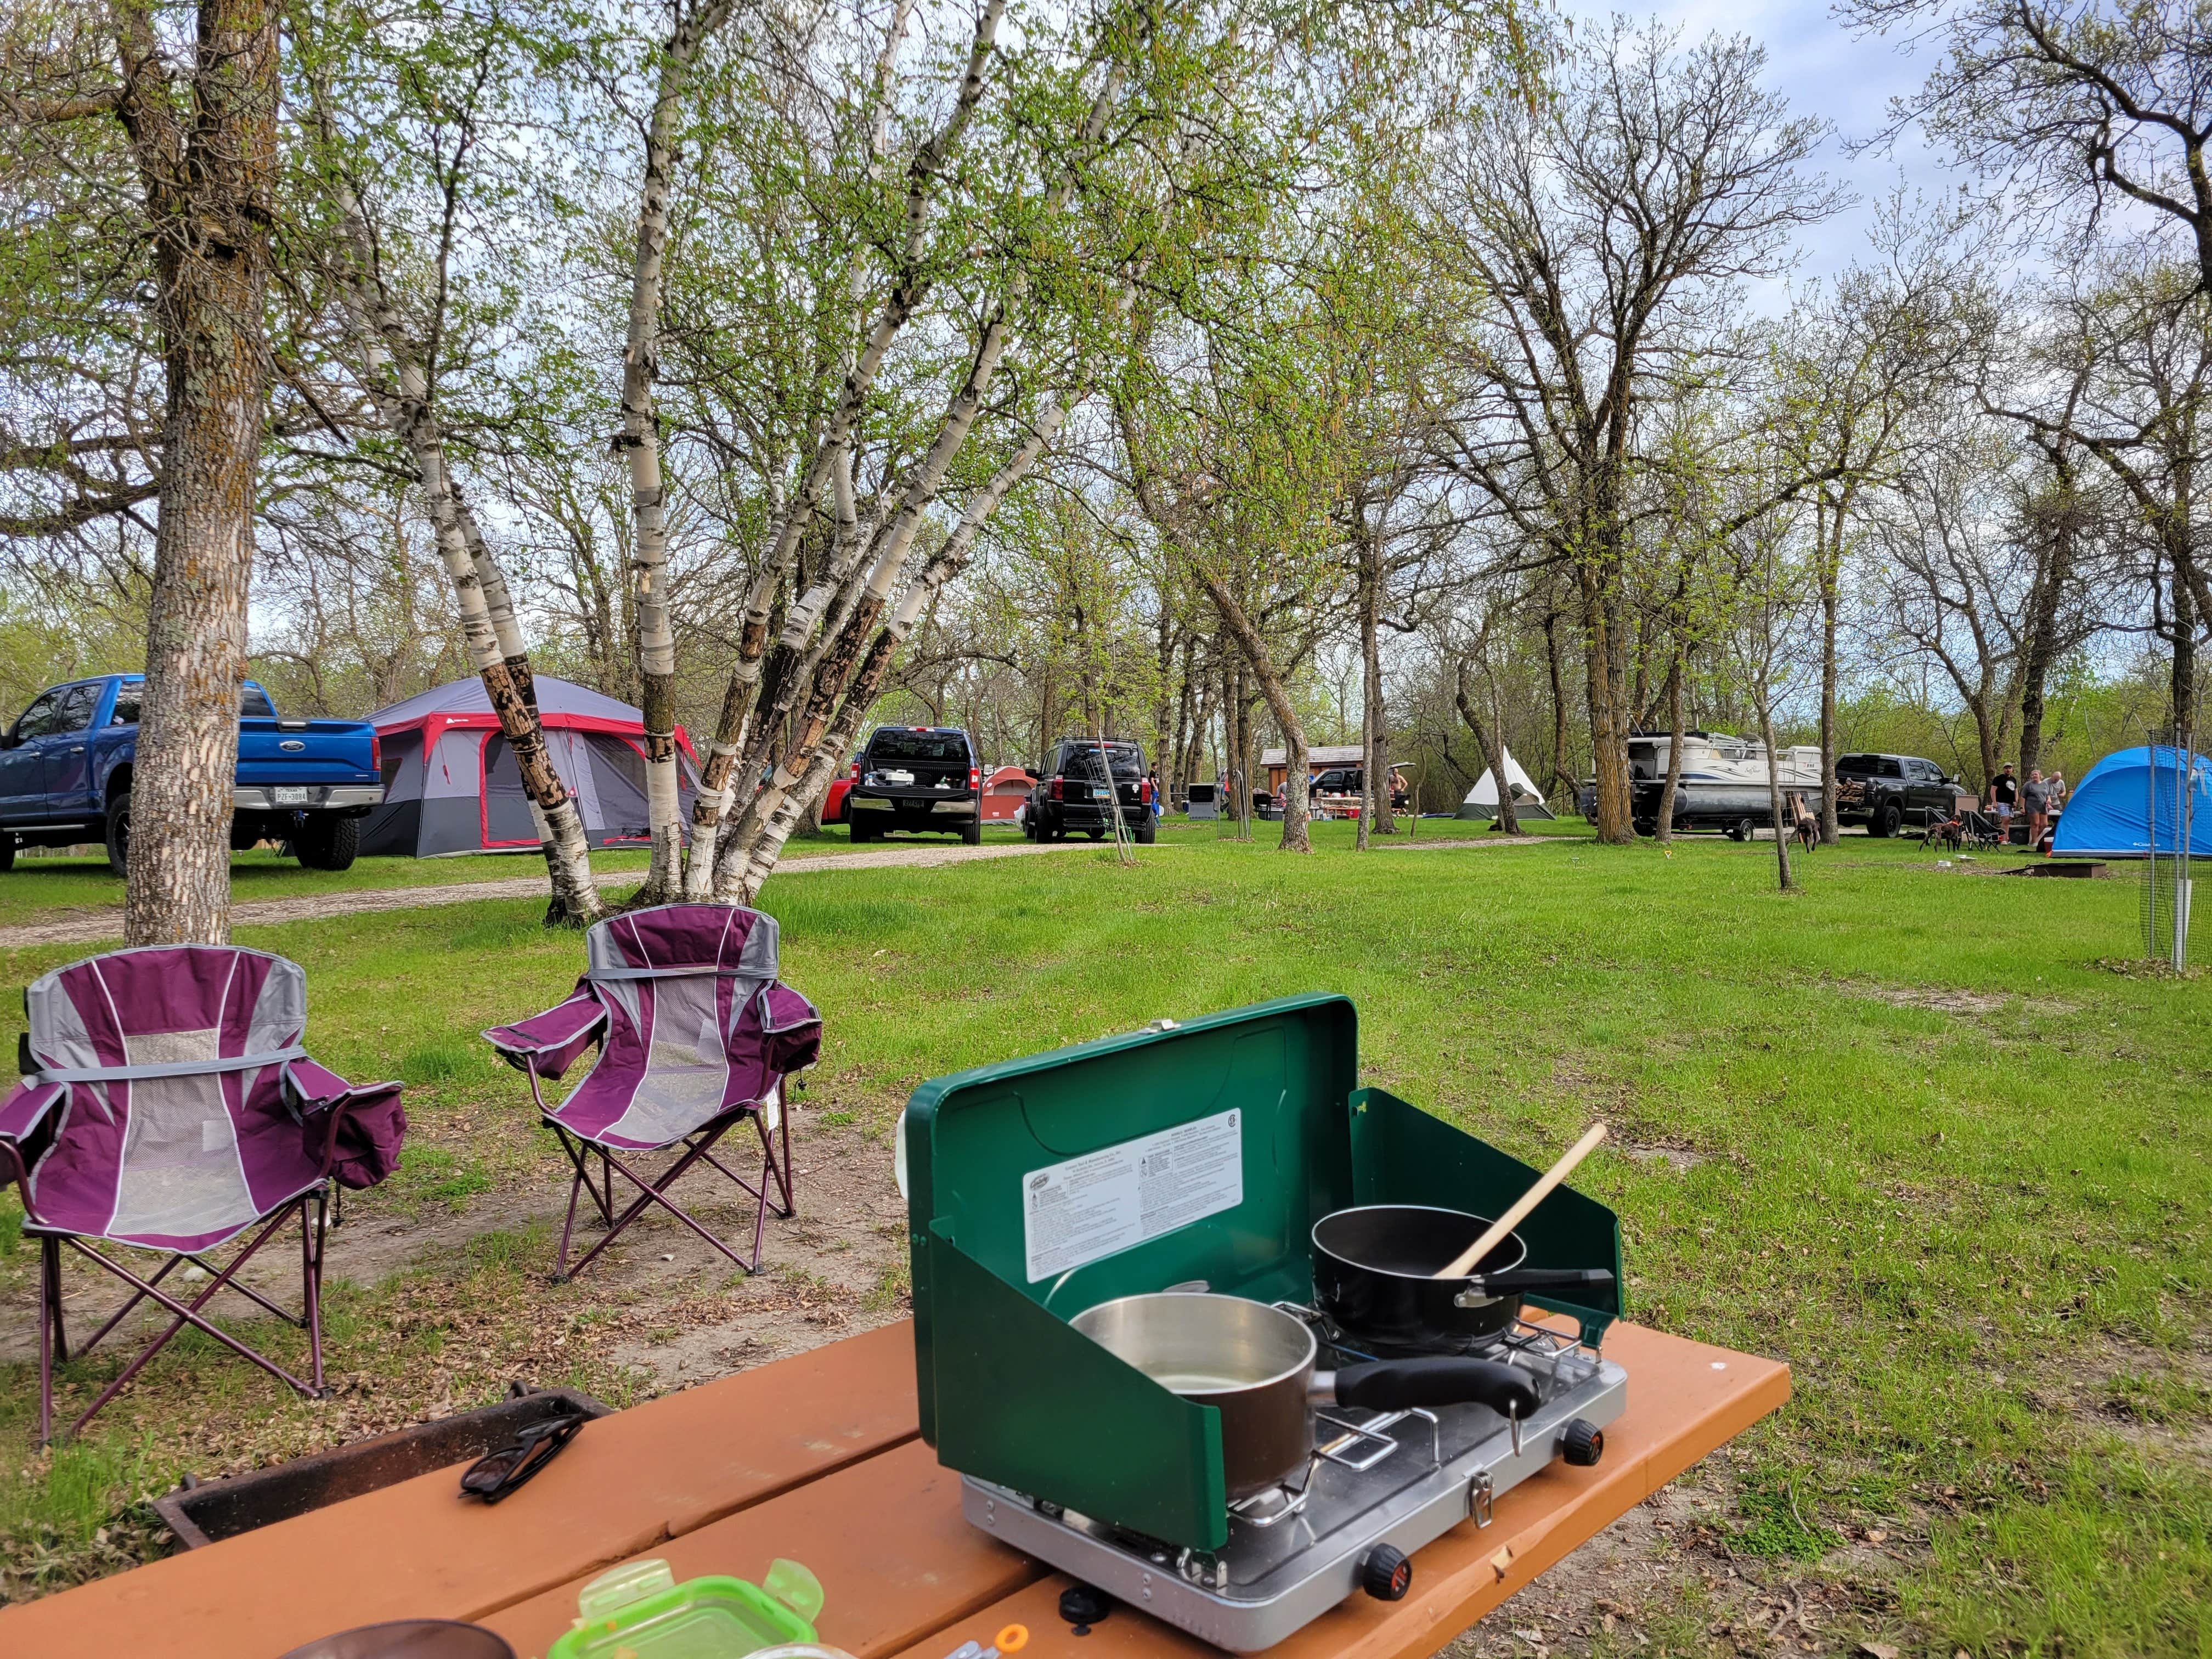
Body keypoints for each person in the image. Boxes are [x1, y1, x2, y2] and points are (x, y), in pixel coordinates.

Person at [2023, 767, 2053, 854]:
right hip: (2032, 806)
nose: (2034, 776)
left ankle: (2032, 840)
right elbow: (2023, 796)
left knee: (2044, 824)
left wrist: (2049, 800)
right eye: (2032, 775)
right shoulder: (2028, 785)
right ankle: (2035, 842)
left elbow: (2048, 795)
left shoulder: (2045, 784)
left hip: (2043, 806)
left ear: (2040, 776)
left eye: (2036, 774)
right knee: (2035, 824)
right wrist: (2022, 807)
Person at [1990, 763, 2019, 842]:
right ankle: (2003, 840)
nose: (2008, 770)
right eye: (2006, 768)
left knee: (2008, 821)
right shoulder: (1998, 778)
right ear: (2004, 769)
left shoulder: (2013, 779)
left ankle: (2006, 839)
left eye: (2010, 768)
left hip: (2011, 803)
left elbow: (2016, 791)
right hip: (2001, 802)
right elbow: (1993, 790)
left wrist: (2016, 801)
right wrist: (1995, 802)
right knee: (2005, 820)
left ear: (2012, 770)